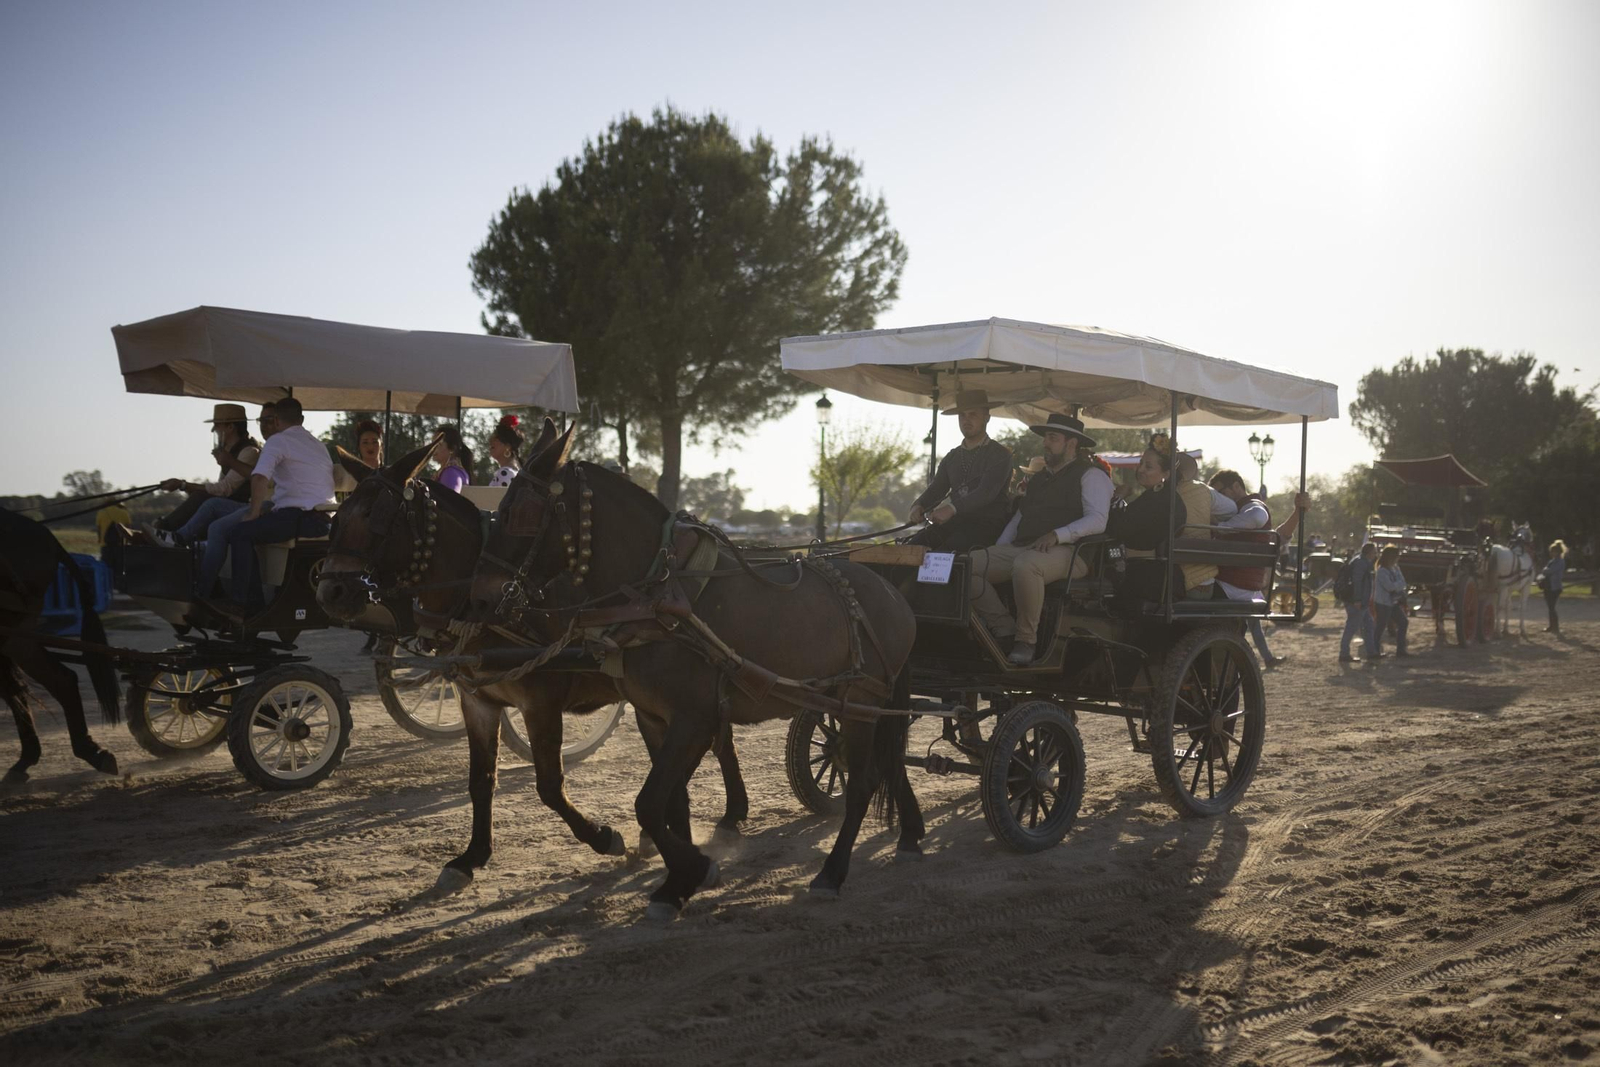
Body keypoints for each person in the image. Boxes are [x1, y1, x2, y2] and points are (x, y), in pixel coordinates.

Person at [968, 413, 1113, 665]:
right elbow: (1019, 519)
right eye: (1046, 437)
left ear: (1071, 443)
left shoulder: (1091, 475)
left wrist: (1058, 535)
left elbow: (1098, 520)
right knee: (965, 565)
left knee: (1027, 565)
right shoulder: (1039, 479)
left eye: (1052, 438)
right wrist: (998, 549)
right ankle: (1004, 628)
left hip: (1072, 554)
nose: (1045, 443)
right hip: (1026, 548)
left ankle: (1026, 640)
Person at [206, 397, 335, 617]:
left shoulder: (278, 441)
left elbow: (259, 477)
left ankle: (246, 603)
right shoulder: (318, 444)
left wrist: (253, 512)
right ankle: (256, 599)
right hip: (325, 519)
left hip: (300, 517)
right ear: (302, 419)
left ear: (276, 420)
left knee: (240, 533)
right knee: (255, 528)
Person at [1207, 470, 1311, 668]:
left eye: (1221, 493)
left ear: (1236, 486)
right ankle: (1264, 658)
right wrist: (1297, 513)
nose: (1219, 499)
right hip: (1247, 589)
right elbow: (1276, 537)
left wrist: (1218, 526)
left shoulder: (1252, 507)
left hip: (1230, 587)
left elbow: (1256, 517)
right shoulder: (1238, 513)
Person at [906, 389, 1013, 552]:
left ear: (987, 417)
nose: (966, 420)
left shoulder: (1000, 455)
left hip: (986, 526)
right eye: (962, 415)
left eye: (972, 414)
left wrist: (951, 508)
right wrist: (919, 505)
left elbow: (985, 493)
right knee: (912, 548)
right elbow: (936, 489)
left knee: (943, 554)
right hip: (955, 523)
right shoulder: (952, 457)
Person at [193, 405, 280, 602]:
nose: (263, 425)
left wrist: (230, 462)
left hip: (272, 505)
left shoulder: (261, 449)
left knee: (221, 526)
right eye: (261, 421)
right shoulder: (269, 448)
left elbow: (257, 479)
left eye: (268, 420)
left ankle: (210, 594)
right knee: (208, 505)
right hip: (262, 503)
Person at [144, 403, 262, 547]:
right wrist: (186, 487)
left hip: (245, 506)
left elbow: (225, 489)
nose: (214, 429)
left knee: (207, 501)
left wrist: (183, 485)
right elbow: (219, 488)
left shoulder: (249, 452)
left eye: (217, 425)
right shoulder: (231, 452)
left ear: (230, 427)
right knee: (201, 496)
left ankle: (168, 533)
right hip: (232, 503)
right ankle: (165, 532)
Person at [1107, 434, 1185, 603]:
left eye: (1148, 467)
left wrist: (1118, 498)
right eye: (1141, 463)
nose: (1140, 469)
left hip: (1147, 582)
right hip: (1156, 578)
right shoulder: (1162, 497)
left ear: (1166, 474)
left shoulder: (1158, 500)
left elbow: (1117, 528)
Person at [1172, 451, 1231, 599]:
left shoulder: (1163, 493)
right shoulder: (1203, 489)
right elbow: (1231, 509)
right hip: (1207, 580)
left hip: (1179, 583)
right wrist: (1211, 519)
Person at [1340, 542, 1379, 663]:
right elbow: (1356, 582)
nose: (1376, 554)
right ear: (1369, 553)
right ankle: (1344, 654)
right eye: (1374, 552)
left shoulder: (1360, 561)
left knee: (1369, 625)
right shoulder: (1361, 563)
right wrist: (1357, 599)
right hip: (1357, 601)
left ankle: (1371, 652)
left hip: (1362, 601)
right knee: (1352, 627)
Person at [1373, 546, 1411, 657]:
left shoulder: (1395, 568)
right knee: (1381, 626)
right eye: (1397, 556)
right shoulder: (1382, 571)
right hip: (1383, 603)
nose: (1398, 558)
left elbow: (1403, 582)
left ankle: (1401, 650)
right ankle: (1374, 650)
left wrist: (1397, 585)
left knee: (1403, 622)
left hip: (1393, 602)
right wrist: (1398, 585)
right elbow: (1390, 587)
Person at [333, 419, 384, 495]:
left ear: (381, 445)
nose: (370, 446)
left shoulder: (387, 475)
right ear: (358, 446)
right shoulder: (347, 474)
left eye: (374, 442)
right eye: (365, 442)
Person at [433, 426, 474, 494]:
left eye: (439, 444)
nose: (433, 448)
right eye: (432, 444)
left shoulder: (451, 473)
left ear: (452, 449)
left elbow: (450, 498)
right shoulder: (452, 471)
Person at [487, 415, 526, 487]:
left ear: (507, 447)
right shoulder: (513, 471)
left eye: (496, 438)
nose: (491, 441)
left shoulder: (504, 473)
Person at [1540, 539, 1568, 634]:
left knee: (1552, 607)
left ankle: (1554, 626)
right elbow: (1546, 571)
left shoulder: (1560, 561)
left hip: (1554, 586)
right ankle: (1552, 626)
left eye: (1553, 551)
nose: (1551, 553)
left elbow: (1549, 571)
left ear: (1557, 552)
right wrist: (1546, 570)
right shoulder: (1552, 561)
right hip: (1548, 586)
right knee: (1550, 607)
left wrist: (1545, 570)